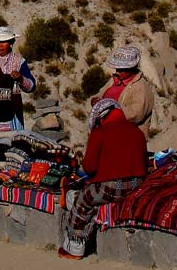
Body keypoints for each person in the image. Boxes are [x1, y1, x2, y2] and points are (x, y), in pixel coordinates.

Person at [59, 99, 147, 259]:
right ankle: (73, 199)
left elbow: (90, 167)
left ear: (100, 118)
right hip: (137, 186)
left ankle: (74, 247)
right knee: (91, 195)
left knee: (84, 199)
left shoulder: (100, 133)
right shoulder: (137, 131)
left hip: (111, 187)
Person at [93, 45, 154, 137]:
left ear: (131, 69)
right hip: (106, 132)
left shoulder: (141, 87)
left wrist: (111, 111)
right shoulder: (114, 80)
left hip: (127, 138)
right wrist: (96, 100)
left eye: (122, 70)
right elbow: (101, 94)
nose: (118, 72)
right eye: (117, 69)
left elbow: (137, 114)